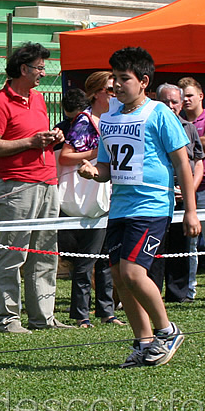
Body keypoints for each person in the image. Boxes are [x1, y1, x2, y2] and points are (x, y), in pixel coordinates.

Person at [79, 47, 200, 368]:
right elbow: (107, 168)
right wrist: (93, 170)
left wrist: (189, 210)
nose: (116, 86)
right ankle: (144, 342)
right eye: (113, 79)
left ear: (143, 81)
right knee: (119, 277)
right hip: (119, 208)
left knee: (134, 272)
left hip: (151, 206)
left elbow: (182, 165)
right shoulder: (109, 119)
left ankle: (167, 331)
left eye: (123, 79)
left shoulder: (159, 113)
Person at [0, 42, 71, 333]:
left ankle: (43, 317)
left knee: (46, 253)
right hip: (17, 188)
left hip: (48, 183)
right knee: (13, 254)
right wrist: (31, 142)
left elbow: (37, 138)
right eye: (39, 68)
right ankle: (8, 318)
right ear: (23, 69)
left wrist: (52, 137)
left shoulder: (40, 99)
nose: (43, 73)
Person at [58, 71, 121, 328]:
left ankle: (106, 311)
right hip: (86, 194)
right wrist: (100, 152)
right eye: (109, 89)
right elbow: (65, 156)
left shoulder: (114, 119)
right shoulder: (86, 121)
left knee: (105, 256)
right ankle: (81, 313)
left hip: (105, 194)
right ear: (96, 93)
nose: (114, 93)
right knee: (86, 259)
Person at [149, 83, 203, 302]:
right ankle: (152, 292)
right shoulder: (151, 125)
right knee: (155, 246)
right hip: (159, 195)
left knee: (182, 247)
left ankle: (178, 294)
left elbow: (198, 161)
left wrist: (189, 187)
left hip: (184, 194)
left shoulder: (188, 128)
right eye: (165, 102)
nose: (170, 106)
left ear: (181, 104)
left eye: (174, 102)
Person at [178, 77, 205, 300]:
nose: (186, 100)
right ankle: (189, 289)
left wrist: (193, 138)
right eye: (182, 96)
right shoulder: (178, 121)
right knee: (191, 242)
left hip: (202, 189)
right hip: (188, 191)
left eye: (190, 95)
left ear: (200, 96)